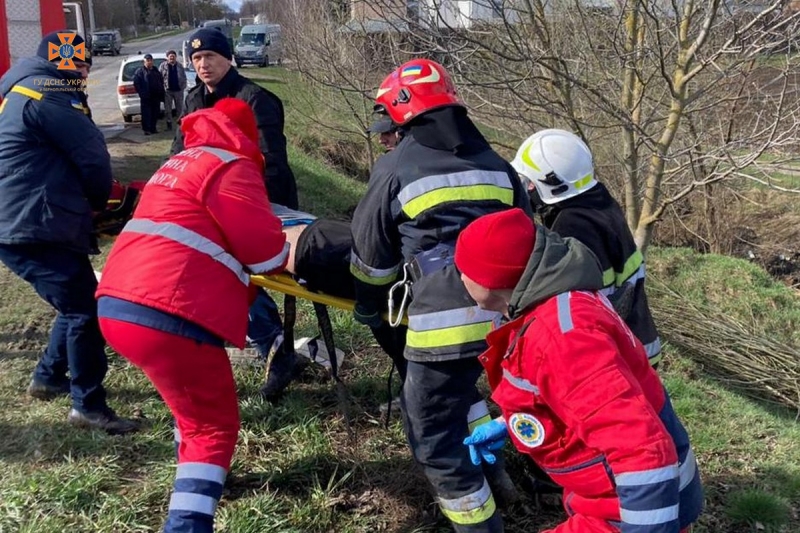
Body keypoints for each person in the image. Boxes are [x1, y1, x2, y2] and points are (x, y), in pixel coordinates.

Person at [349, 58, 532, 532]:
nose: (385, 138)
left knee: (435, 437)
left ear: (404, 116)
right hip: (509, 322)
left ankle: (478, 524)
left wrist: (369, 304)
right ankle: (497, 476)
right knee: (462, 393)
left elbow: (371, 259)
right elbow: (528, 234)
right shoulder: (498, 166)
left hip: (441, 325)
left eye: (389, 128)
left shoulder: (396, 168)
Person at [96, 98, 289, 533]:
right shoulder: (231, 166)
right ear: (247, 136)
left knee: (191, 410)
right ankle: (186, 523)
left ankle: (206, 474)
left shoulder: (183, 161)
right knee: (212, 426)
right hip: (168, 312)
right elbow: (269, 254)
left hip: (117, 302)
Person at [456, 208, 704, 533]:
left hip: (627, 513)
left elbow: (641, 450)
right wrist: (516, 422)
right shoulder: (559, 304)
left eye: (464, 270)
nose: (460, 278)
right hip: (614, 501)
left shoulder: (562, 337)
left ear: (493, 280)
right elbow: (585, 395)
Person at [0, 31, 136, 434]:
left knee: (76, 298)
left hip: (24, 220)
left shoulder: (19, 91)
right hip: (36, 223)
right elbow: (92, 153)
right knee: (84, 310)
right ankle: (88, 406)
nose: (84, 74)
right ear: (68, 66)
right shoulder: (54, 94)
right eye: (82, 66)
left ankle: (46, 378)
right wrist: (103, 203)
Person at [171, 28, 301, 400]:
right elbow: (179, 152)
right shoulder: (194, 98)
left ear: (228, 58)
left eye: (210, 56)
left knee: (243, 268)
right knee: (216, 269)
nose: (203, 64)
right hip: (207, 203)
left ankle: (275, 347)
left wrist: (249, 210)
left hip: (255, 201)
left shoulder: (257, 99)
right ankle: (268, 342)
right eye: (196, 59)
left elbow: (271, 163)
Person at [511, 130, 663, 367]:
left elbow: (577, 300)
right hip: (637, 339)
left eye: (530, 183)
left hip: (619, 354)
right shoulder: (598, 201)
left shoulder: (573, 225)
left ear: (552, 185)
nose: (527, 190)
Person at [133, 53, 165, 135]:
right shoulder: (140, 72)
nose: (149, 62)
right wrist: (142, 93)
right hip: (146, 97)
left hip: (155, 96)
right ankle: (146, 130)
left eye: (150, 60)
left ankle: (153, 128)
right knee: (146, 114)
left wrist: (161, 92)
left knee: (155, 113)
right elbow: (136, 84)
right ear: (144, 62)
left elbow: (160, 81)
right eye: (147, 61)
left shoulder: (155, 70)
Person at [158, 49, 187, 131]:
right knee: (168, 109)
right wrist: (162, 88)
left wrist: (183, 86)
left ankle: (180, 125)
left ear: (175, 57)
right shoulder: (163, 66)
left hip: (178, 90)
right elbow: (159, 78)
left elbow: (184, 77)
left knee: (180, 109)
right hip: (168, 91)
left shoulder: (180, 66)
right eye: (170, 57)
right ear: (167, 57)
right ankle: (169, 124)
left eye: (173, 56)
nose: (172, 58)